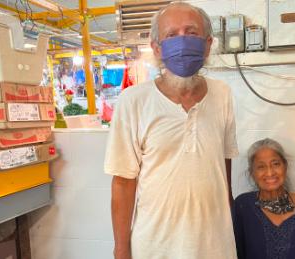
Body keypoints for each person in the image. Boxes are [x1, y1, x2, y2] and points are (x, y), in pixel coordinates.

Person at [104, 3, 238, 259]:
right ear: (157, 48)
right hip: (156, 246)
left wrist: (228, 217)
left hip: (215, 244)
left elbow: (223, 161)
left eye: (191, 32)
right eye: (171, 35)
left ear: (208, 44)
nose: (183, 41)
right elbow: (123, 183)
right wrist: (121, 250)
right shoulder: (133, 101)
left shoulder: (223, 94)